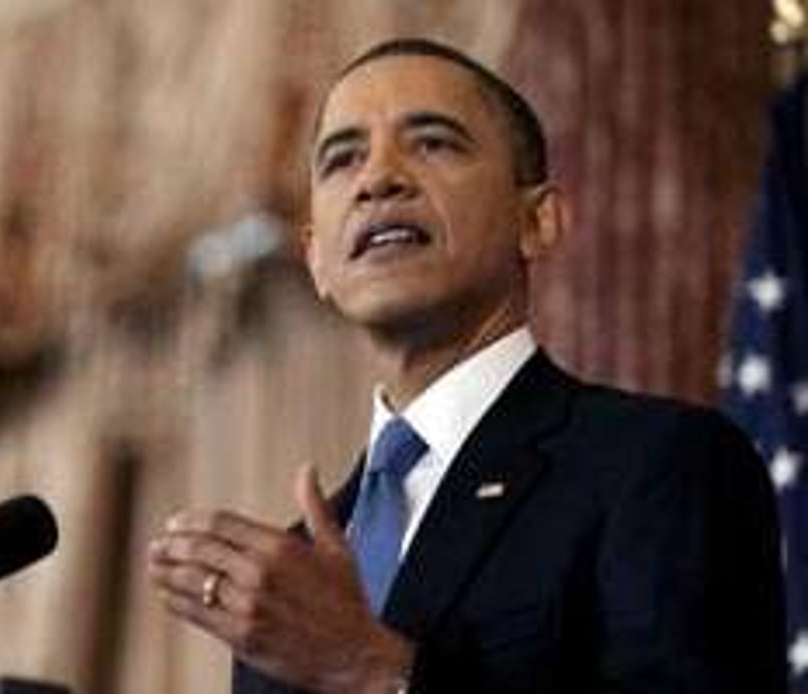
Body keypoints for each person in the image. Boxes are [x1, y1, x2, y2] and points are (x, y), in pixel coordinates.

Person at [147, 37, 787, 693]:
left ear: (536, 220)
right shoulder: (290, 584)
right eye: (342, 159)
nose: (378, 179)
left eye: (432, 143)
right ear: (315, 260)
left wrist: (376, 670)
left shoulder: (658, 465)